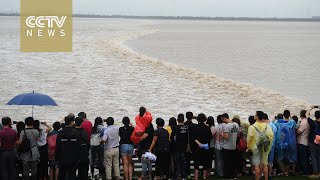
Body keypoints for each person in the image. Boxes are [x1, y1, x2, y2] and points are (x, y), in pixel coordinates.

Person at [247, 111, 274, 180]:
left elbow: (249, 138)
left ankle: (257, 178)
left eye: (255, 115)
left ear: (257, 117)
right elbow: (271, 136)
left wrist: (249, 147)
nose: (254, 116)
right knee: (265, 164)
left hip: (255, 147)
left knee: (257, 164)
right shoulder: (267, 126)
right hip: (265, 147)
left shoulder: (252, 127)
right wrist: (268, 146)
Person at [56, 116, 81, 180]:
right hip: (73, 158)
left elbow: (58, 146)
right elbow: (78, 147)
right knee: (72, 175)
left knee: (61, 175)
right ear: (72, 122)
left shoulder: (60, 132)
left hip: (62, 158)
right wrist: (78, 158)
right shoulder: (76, 132)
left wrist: (57, 158)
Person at [274, 110, 297, 176]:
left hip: (284, 143)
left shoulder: (281, 124)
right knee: (291, 157)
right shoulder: (292, 123)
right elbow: (292, 121)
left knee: (283, 157)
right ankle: (291, 171)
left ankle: (285, 171)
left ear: (283, 116)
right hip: (292, 142)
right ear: (289, 115)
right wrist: (290, 117)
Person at [191, 113, 212, 180]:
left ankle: (196, 176)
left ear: (197, 120)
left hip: (197, 147)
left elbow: (193, 137)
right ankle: (204, 176)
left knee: (196, 162)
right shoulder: (207, 128)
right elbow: (210, 138)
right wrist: (204, 144)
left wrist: (199, 144)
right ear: (205, 119)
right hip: (205, 147)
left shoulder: (195, 127)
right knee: (205, 161)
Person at [171, 113, 189, 180]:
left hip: (176, 147)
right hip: (184, 147)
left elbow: (172, 138)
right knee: (183, 161)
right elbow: (187, 138)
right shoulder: (186, 127)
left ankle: (178, 174)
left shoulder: (175, 127)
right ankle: (183, 175)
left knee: (177, 161)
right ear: (183, 120)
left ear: (177, 120)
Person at [221, 113, 239, 180]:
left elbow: (227, 137)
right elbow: (237, 135)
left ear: (224, 118)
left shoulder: (227, 126)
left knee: (226, 163)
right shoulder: (236, 124)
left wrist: (222, 135)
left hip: (226, 147)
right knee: (232, 162)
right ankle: (233, 176)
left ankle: (227, 177)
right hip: (233, 146)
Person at [307, 106, 320, 178]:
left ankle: (315, 173)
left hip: (313, 141)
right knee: (318, 157)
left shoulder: (312, 123)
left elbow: (307, 115)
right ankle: (319, 172)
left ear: (315, 116)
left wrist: (311, 108)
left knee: (313, 157)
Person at [296, 110, 310, 175]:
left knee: (302, 158)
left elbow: (299, 132)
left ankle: (304, 171)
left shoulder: (304, 122)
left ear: (301, 115)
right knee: (306, 157)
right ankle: (306, 170)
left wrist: (295, 129)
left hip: (302, 142)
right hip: (307, 141)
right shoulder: (308, 121)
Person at [264, 113, 277, 179]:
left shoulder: (264, 126)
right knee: (270, 161)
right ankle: (270, 175)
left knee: (264, 161)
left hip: (266, 145)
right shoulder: (273, 126)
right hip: (272, 145)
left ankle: (265, 175)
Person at [184, 111, 195, 178]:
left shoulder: (184, 125)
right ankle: (195, 172)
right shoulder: (193, 125)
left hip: (185, 144)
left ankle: (187, 173)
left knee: (186, 160)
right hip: (193, 144)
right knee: (194, 159)